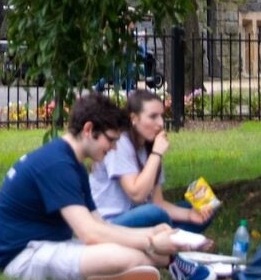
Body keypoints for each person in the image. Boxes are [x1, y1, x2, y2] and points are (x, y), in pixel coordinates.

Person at [0, 93, 195, 280]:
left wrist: (151, 232)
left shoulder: (73, 163)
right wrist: (150, 241)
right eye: (111, 139)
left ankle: (110, 275)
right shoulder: (57, 164)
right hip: (24, 257)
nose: (114, 148)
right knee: (138, 258)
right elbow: (90, 233)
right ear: (89, 129)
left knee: (154, 256)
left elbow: (99, 224)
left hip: (50, 245)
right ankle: (103, 279)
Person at [89, 89, 217, 231]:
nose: (161, 123)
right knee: (154, 213)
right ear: (134, 118)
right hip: (111, 224)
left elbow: (158, 202)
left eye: (162, 116)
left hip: (143, 219)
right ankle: (173, 244)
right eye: (153, 117)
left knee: (204, 209)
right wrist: (156, 154)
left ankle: (173, 244)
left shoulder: (149, 147)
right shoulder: (119, 143)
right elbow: (137, 194)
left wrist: (190, 215)